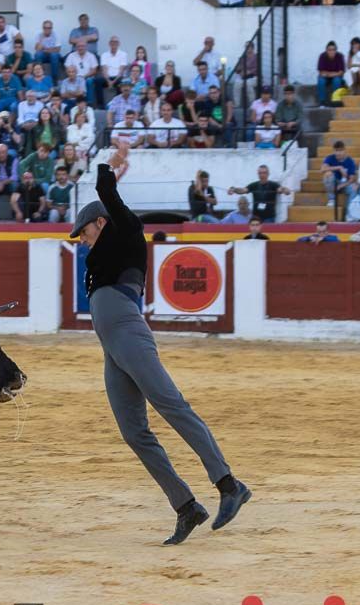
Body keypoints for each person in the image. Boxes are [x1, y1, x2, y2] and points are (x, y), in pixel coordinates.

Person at [71, 142, 249, 544]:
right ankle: (186, 506)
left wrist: (110, 164)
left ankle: (228, 485)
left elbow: (107, 192)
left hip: (128, 333)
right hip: (113, 346)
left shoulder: (126, 231)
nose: (80, 240)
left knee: (171, 405)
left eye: (82, 232)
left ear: (99, 223)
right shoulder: (99, 254)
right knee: (134, 431)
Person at [227, 164, 291, 222]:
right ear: (258, 174)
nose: (262, 175)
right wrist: (234, 189)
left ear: (268, 174)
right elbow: (243, 190)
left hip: (269, 217)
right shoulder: (254, 185)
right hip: (256, 217)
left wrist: (285, 190)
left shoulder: (273, 185)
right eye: (260, 173)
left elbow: (281, 190)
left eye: (264, 173)